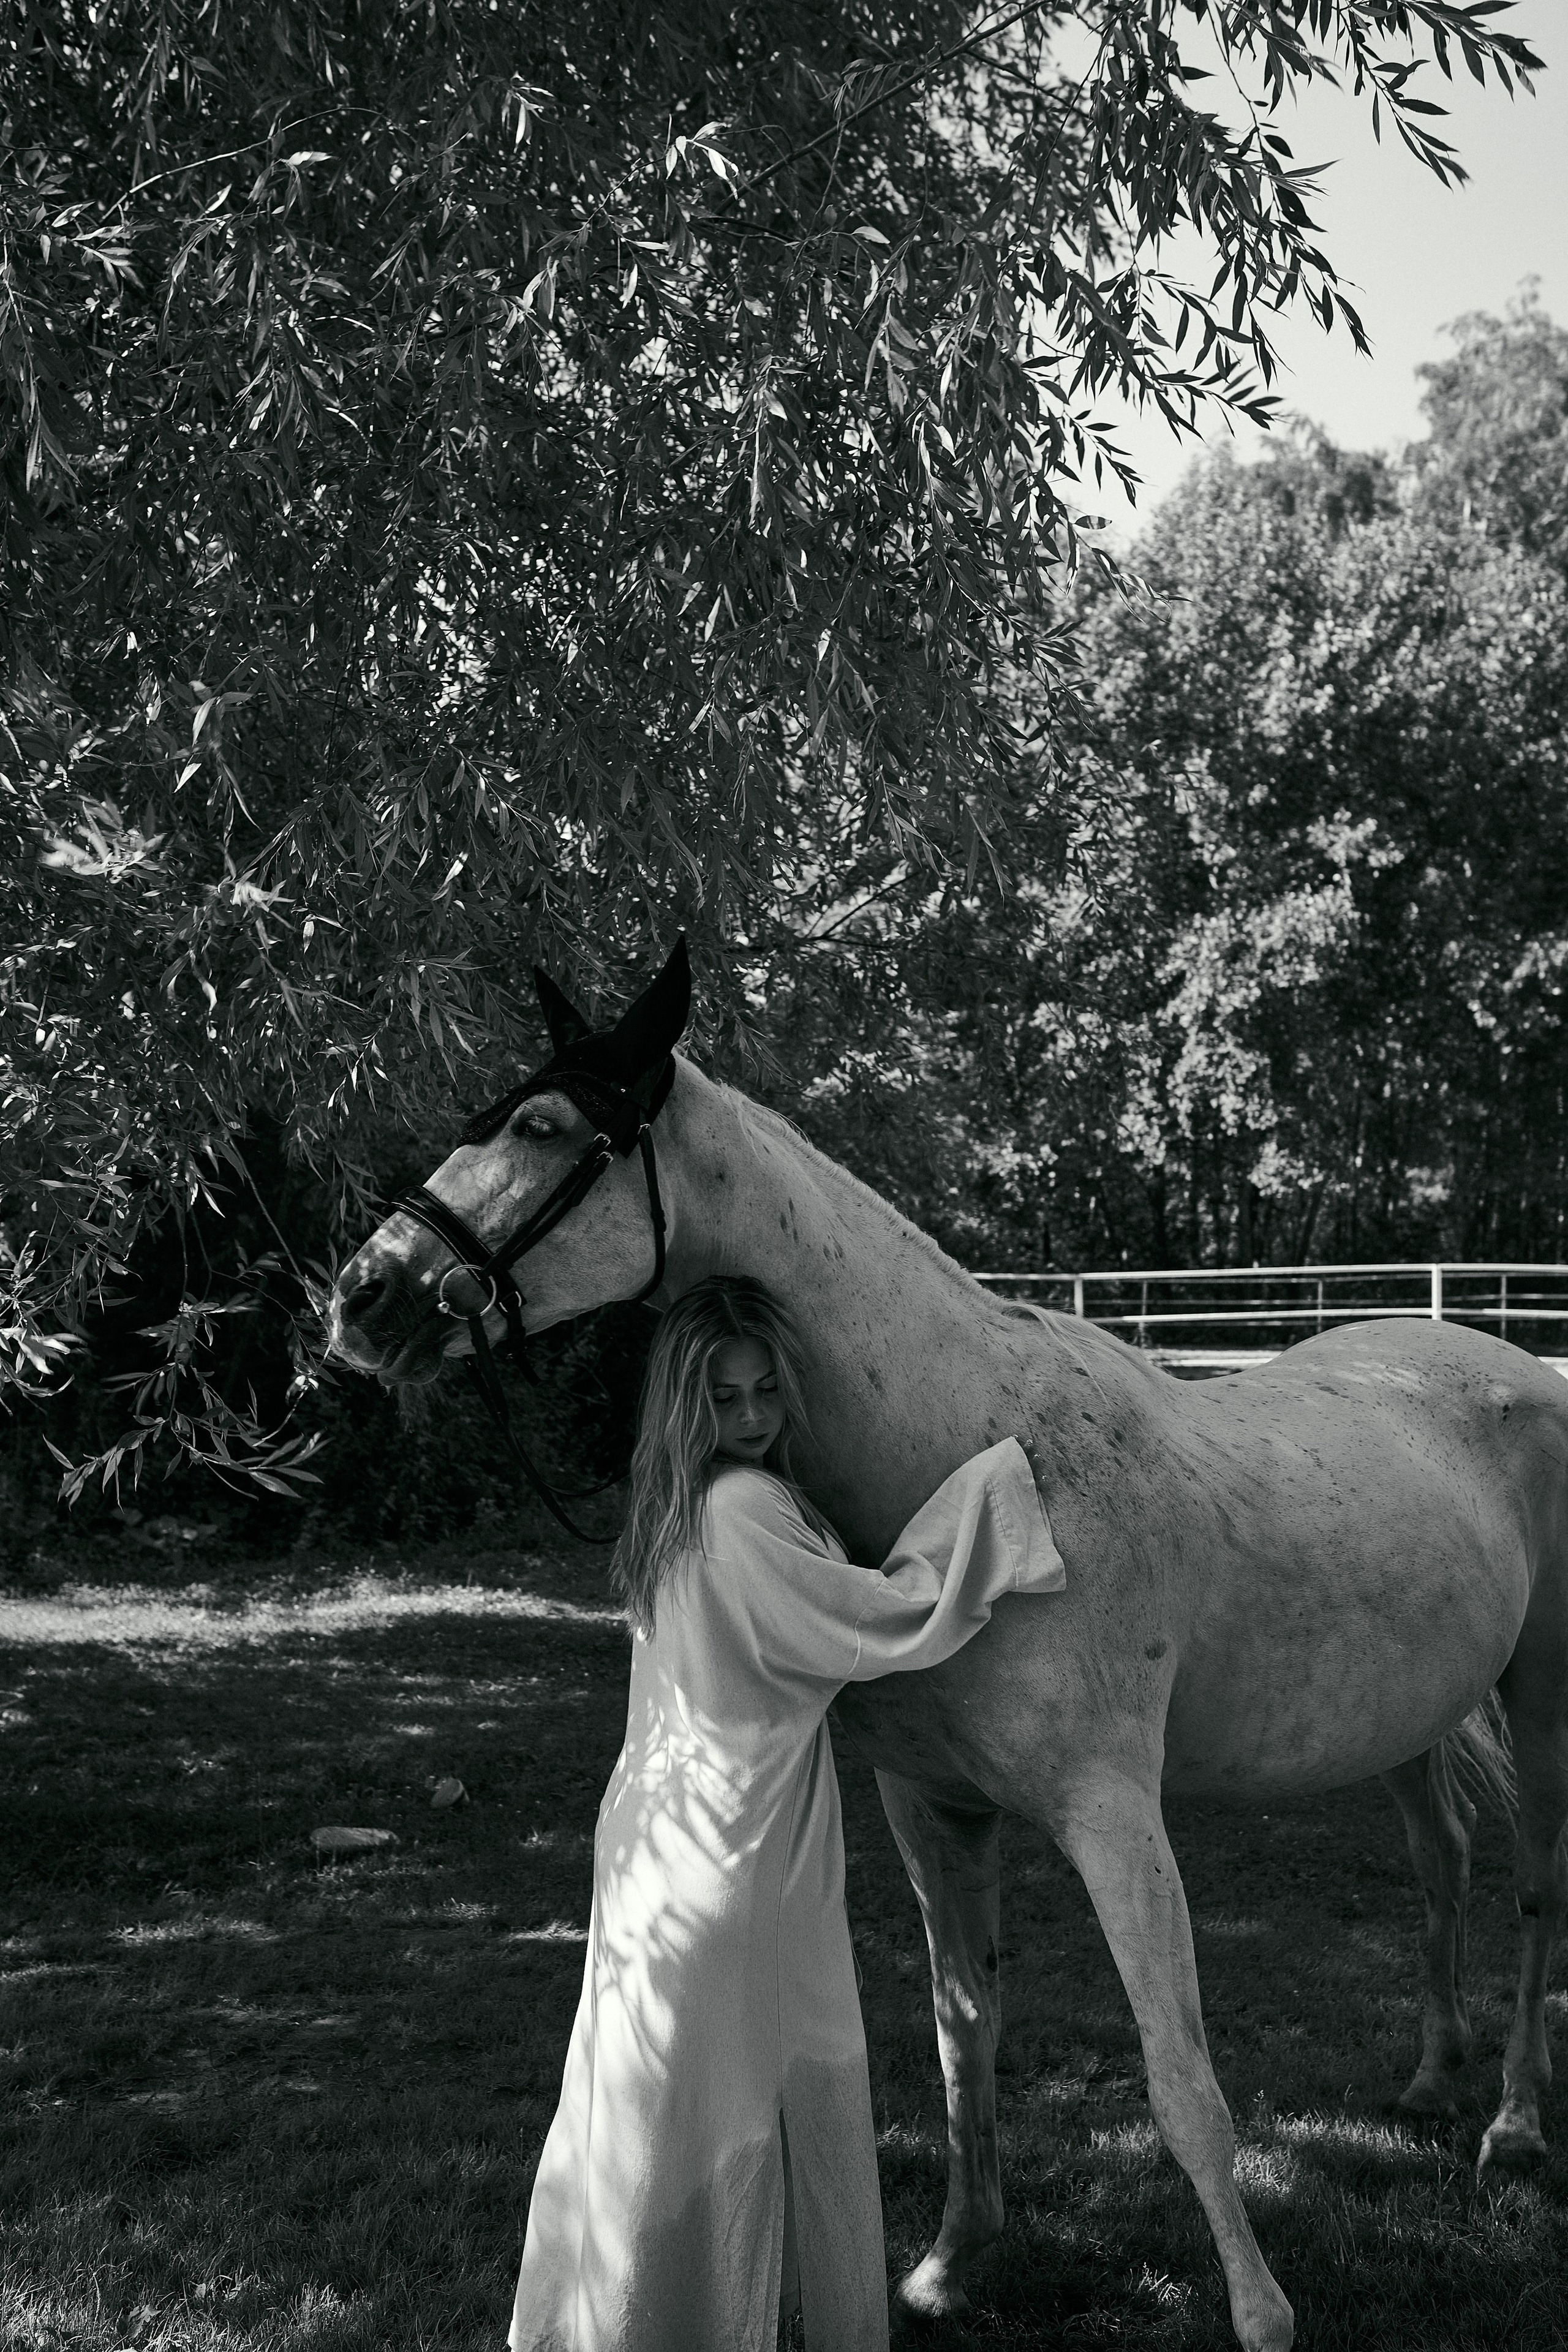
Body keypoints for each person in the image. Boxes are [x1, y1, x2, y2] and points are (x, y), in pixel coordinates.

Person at [510, 1275, 1066, 2352]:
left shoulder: (669, 1509)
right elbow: (886, 1617)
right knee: (736, 2115)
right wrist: (994, 1491)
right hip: (738, 1848)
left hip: (655, 1837)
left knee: (649, 2113)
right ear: (686, 1406)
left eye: (767, 1390)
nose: (756, 1416)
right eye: (727, 1398)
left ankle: (627, 2323)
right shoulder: (744, 1510)